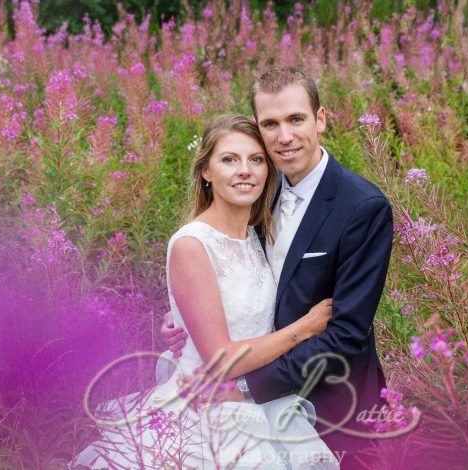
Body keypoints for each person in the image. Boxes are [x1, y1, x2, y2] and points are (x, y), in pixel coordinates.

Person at [74, 115, 340, 469]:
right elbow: (217, 357)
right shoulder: (192, 243)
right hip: (209, 408)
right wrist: (306, 327)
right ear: (206, 172)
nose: (244, 170)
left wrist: (179, 315)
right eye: (229, 159)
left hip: (260, 397)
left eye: (256, 159)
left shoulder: (257, 235)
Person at [163, 67, 394, 468]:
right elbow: (224, 271)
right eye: (270, 123)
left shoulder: (362, 207)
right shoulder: (254, 192)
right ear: (258, 127)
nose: (284, 136)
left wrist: (248, 386)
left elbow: (345, 333)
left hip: (329, 403)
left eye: (296, 119)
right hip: (238, 403)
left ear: (320, 119)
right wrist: (185, 317)